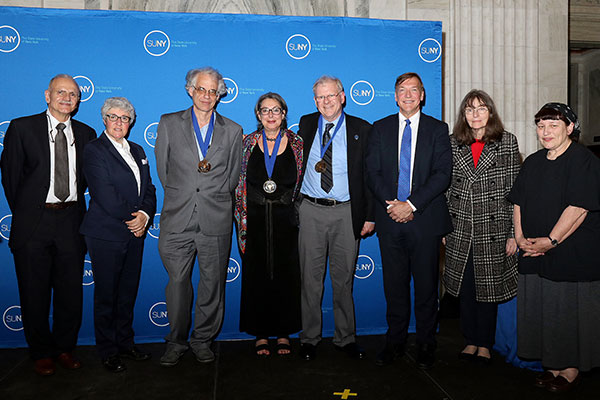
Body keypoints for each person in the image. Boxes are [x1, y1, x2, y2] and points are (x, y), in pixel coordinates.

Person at [0, 74, 96, 376]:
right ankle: (41, 352)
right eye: (61, 92)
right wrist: (30, 212)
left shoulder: (87, 133)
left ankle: (65, 348)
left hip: (71, 220)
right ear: (47, 95)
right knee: (34, 291)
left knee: (70, 292)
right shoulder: (22, 128)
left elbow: (86, 180)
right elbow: (11, 177)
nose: (67, 98)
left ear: (78, 100)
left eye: (73, 94)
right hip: (35, 222)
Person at [508, 103, 600, 392]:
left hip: (571, 250)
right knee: (543, 307)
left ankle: (569, 368)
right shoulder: (533, 162)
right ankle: (552, 365)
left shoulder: (583, 160)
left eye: (553, 126)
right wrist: (520, 237)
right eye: (541, 126)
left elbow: (579, 208)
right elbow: (518, 201)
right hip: (533, 249)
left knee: (565, 309)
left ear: (570, 128)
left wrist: (551, 241)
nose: (545, 132)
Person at [155, 67, 243, 367]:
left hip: (215, 218)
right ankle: (176, 341)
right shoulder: (169, 123)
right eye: (201, 89)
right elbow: (164, 171)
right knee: (177, 284)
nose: (207, 96)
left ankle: (203, 340)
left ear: (220, 95)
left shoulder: (233, 130)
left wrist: (209, 197)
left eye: (213, 91)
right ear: (190, 90)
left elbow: (232, 178)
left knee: (212, 285)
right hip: (177, 218)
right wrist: (186, 195)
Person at [366, 72, 452, 369]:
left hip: (425, 219)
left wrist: (411, 205)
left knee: (427, 287)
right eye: (402, 90)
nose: (407, 95)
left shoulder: (438, 129)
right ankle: (395, 341)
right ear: (395, 96)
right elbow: (372, 172)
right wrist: (394, 205)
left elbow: (442, 173)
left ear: (422, 95)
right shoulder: (380, 128)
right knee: (394, 286)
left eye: (413, 90)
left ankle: (427, 343)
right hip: (390, 217)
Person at [297, 75, 374, 361]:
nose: (326, 101)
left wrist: (370, 215)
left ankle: (345, 338)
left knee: (343, 280)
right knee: (310, 280)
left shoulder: (361, 129)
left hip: (346, 211)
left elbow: (370, 176)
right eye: (320, 97)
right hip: (311, 210)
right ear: (314, 100)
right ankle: (309, 338)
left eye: (331, 95)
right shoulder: (306, 124)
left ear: (342, 97)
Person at [442, 90, 520, 365]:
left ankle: (485, 343)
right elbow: (445, 188)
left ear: (491, 112)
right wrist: (444, 227)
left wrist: (514, 234)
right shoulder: (452, 143)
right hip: (460, 226)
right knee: (465, 287)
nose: (475, 114)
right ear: (463, 115)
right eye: (469, 109)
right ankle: (470, 340)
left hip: (494, 227)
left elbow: (516, 191)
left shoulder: (507, 142)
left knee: (488, 288)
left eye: (481, 108)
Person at [80, 97, 156, 372]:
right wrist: (133, 219)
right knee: (106, 295)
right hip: (106, 233)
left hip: (135, 233)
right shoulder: (94, 150)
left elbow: (149, 189)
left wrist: (144, 215)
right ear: (104, 119)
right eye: (113, 116)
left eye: (124, 118)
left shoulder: (138, 150)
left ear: (131, 122)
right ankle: (108, 350)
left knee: (127, 293)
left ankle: (125, 343)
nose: (119, 122)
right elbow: (104, 194)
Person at [234, 93, 303, 356]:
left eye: (276, 110)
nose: (271, 115)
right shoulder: (247, 143)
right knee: (256, 276)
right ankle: (260, 332)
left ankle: (284, 331)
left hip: (287, 221)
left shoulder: (297, 144)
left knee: (287, 275)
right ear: (258, 115)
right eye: (265, 110)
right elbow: (238, 182)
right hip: (253, 219)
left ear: (284, 114)